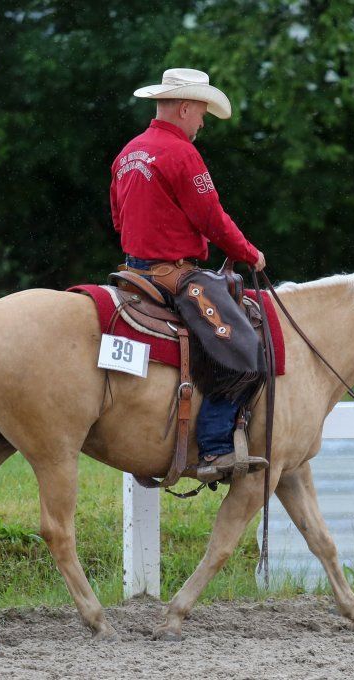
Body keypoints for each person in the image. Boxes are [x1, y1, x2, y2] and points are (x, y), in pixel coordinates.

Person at [110, 68, 268, 482]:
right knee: (243, 350)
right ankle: (215, 448)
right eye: (201, 114)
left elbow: (117, 217)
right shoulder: (182, 154)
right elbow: (211, 218)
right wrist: (249, 254)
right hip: (174, 275)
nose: (202, 124)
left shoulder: (128, 152)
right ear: (184, 108)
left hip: (131, 270)